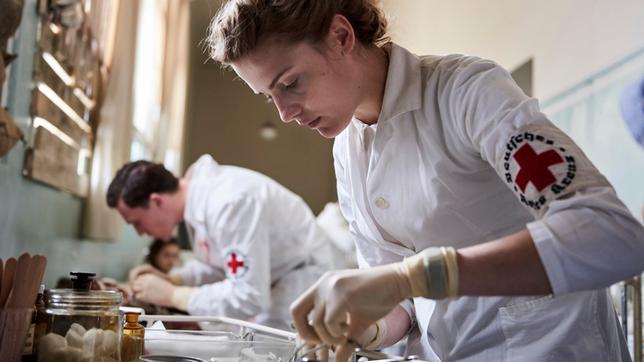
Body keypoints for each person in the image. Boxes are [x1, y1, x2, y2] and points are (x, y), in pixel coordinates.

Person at [206, 1, 644, 361]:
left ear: (341, 36)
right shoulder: (348, 150)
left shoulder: (467, 92)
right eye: (270, 96)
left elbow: (612, 236)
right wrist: (364, 328)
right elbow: (400, 302)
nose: (285, 113)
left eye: (291, 83)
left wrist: (411, 276)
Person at [106, 155, 333, 329]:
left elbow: (248, 295)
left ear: (156, 201)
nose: (139, 232)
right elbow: (220, 264)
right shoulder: (198, 201)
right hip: (276, 283)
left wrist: (173, 295)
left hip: (304, 283)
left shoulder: (229, 203)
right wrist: (173, 278)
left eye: (136, 222)